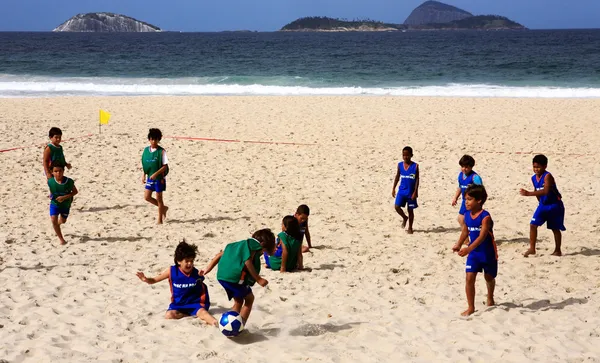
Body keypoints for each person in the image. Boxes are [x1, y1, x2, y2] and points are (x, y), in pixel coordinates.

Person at [202, 229, 275, 325]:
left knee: (239, 300)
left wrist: (208, 269)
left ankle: (227, 323)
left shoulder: (238, 245)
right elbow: (247, 261)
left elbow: (220, 255)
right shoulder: (254, 246)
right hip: (234, 278)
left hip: (222, 276)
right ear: (262, 245)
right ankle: (240, 325)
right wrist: (259, 279)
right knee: (249, 299)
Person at [136, 240, 217, 326]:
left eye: (192, 261)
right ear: (179, 261)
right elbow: (155, 280)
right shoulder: (172, 271)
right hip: (178, 305)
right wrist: (146, 279)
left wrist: (201, 276)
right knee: (168, 315)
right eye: (187, 261)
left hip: (195, 304)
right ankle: (187, 315)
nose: (190, 264)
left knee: (204, 313)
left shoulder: (196, 273)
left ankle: (217, 324)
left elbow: (202, 284)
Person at [452, 185, 497, 316]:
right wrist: (458, 244)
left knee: (489, 277)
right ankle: (471, 307)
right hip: (474, 254)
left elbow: (482, 236)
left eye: (469, 199)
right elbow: (465, 231)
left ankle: (490, 296)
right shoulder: (466, 215)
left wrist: (468, 248)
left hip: (487, 252)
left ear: (479, 200)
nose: (466, 202)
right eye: (465, 199)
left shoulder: (485, 216)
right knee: (469, 278)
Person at [519, 154, 565, 257]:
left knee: (555, 228)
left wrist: (528, 194)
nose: (536, 169)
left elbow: (546, 191)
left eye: (538, 167)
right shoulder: (533, 178)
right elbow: (537, 190)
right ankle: (532, 248)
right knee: (533, 225)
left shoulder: (547, 176)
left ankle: (558, 250)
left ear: (545, 166)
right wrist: (539, 202)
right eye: (534, 167)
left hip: (554, 205)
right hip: (543, 205)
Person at [141, 128, 169, 224]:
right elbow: (145, 164)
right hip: (150, 177)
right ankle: (164, 208)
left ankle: (160, 219)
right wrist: (144, 175)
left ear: (159, 140)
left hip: (159, 178)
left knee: (159, 198)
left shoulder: (161, 151)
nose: (154, 141)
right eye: (152, 139)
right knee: (147, 197)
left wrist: (156, 174)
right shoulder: (146, 150)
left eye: (156, 139)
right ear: (149, 139)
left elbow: (165, 166)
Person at [47, 160, 78, 245]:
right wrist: (51, 195)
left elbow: (75, 192)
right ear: (52, 172)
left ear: (63, 171)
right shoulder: (50, 181)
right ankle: (61, 239)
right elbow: (51, 189)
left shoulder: (69, 182)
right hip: (55, 204)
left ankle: (58, 225)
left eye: (60, 171)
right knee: (53, 219)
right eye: (55, 171)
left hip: (66, 204)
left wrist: (64, 197)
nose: (58, 173)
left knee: (62, 221)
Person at [391, 146, 419, 234]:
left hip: (411, 192)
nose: (405, 157)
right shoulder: (400, 165)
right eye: (403, 155)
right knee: (396, 206)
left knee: (410, 210)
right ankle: (404, 217)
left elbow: (417, 179)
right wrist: (393, 188)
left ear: (411, 155)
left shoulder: (415, 166)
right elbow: (397, 176)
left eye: (407, 155)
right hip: (402, 191)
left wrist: (415, 191)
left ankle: (410, 227)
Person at [451, 155, 483, 227]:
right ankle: (466, 237)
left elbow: (481, 192)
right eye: (462, 167)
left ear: (471, 167)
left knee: (469, 221)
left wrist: (478, 204)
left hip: (473, 202)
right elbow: (460, 187)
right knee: (460, 219)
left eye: (466, 167)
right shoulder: (460, 175)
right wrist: (455, 198)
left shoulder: (475, 177)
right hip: (464, 201)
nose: (464, 169)